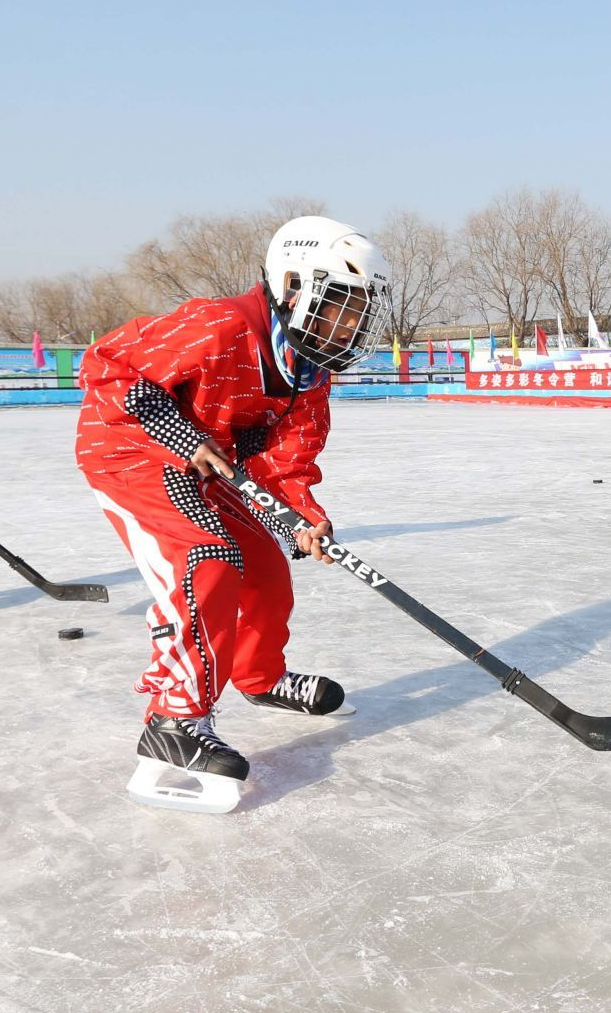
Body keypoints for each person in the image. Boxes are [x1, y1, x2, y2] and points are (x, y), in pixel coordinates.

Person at [77, 215, 386, 814]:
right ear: (292, 285)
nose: (349, 325)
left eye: (358, 312)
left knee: (267, 564)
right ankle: (173, 720)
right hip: (133, 452)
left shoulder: (310, 374)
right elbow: (107, 365)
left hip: (210, 465)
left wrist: (302, 516)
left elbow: (285, 464)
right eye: (339, 305)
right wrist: (173, 429)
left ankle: (259, 676)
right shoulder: (218, 325)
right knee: (206, 558)